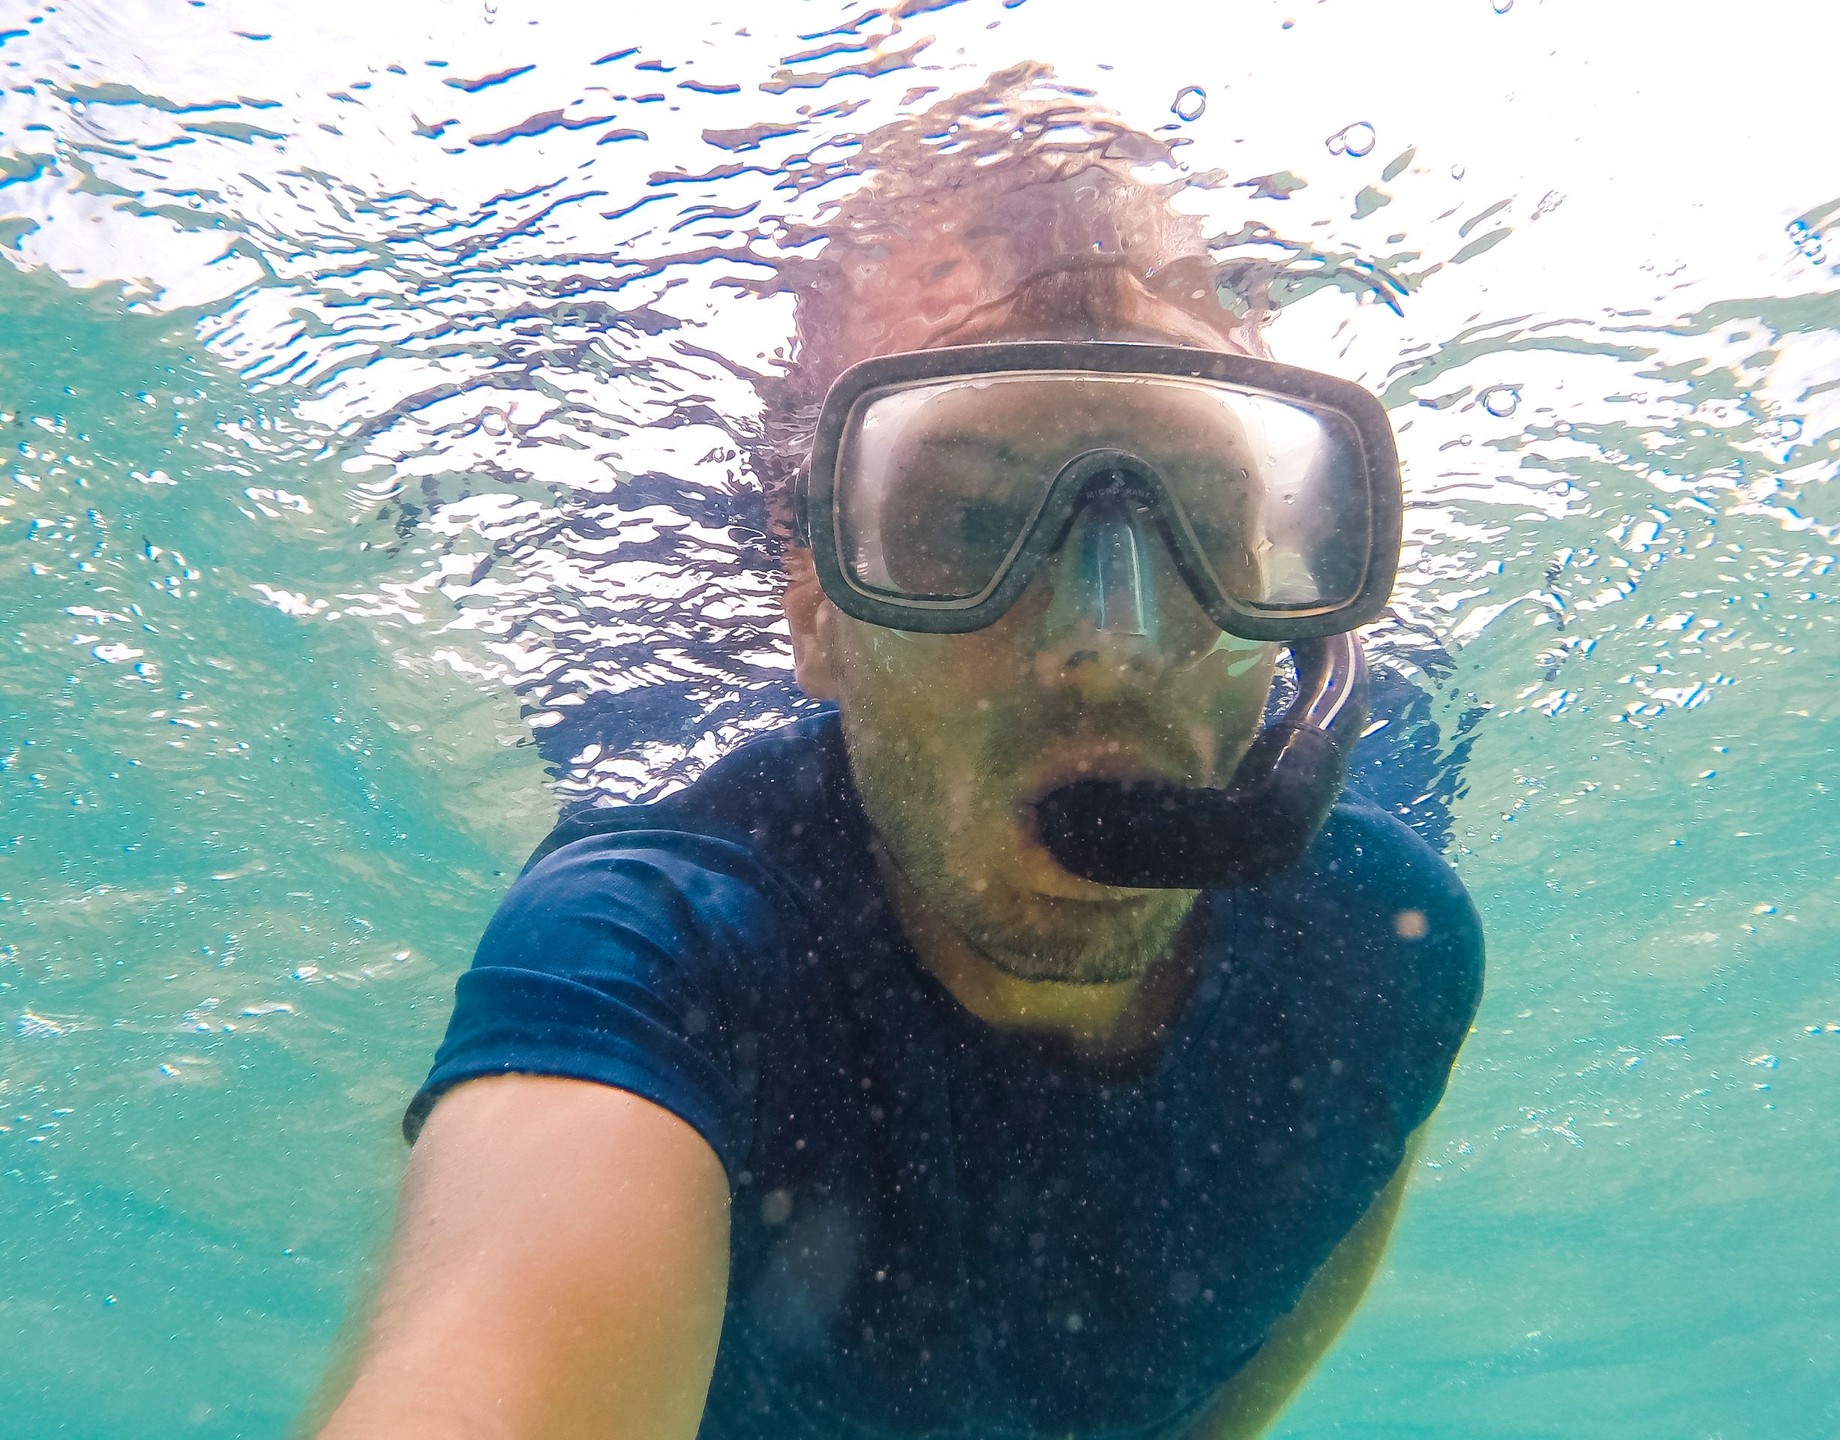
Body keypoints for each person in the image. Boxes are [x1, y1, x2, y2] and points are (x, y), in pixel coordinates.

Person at [310, 83, 1483, 1440]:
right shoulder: (659, 950)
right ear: (813, 607)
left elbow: (1219, 1385)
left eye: (1208, 522)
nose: (1108, 646)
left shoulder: (1389, 954)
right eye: (970, 518)